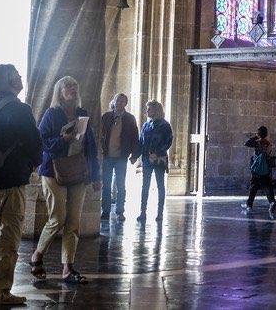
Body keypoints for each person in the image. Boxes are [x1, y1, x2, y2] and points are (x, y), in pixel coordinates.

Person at [0, 64, 42, 307]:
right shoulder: (20, 109)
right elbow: (35, 144)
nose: (21, 77)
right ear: (11, 81)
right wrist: (34, 163)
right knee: (7, 239)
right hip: (11, 182)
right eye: (18, 75)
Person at [29, 76, 100, 284]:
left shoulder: (82, 114)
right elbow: (41, 142)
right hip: (53, 171)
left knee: (73, 221)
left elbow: (91, 146)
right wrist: (63, 139)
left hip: (78, 171)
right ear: (59, 92)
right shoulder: (52, 114)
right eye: (68, 86)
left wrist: (96, 175)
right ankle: (38, 255)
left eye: (75, 86)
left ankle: (68, 268)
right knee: (57, 218)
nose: (72, 89)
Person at [98, 92, 140, 222]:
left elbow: (135, 137)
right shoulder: (106, 117)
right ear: (114, 101)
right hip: (107, 156)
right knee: (106, 185)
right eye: (118, 100)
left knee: (120, 185)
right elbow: (99, 134)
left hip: (121, 156)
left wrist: (135, 155)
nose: (120, 103)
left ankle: (120, 211)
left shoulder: (130, 118)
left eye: (123, 101)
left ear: (126, 103)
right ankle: (105, 211)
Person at [138, 100, 173, 223]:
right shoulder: (146, 125)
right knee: (145, 186)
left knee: (160, 186)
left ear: (156, 110)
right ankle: (142, 212)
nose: (146, 111)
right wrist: (137, 155)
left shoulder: (165, 125)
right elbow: (141, 141)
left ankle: (160, 213)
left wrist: (156, 153)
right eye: (147, 109)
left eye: (149, 109)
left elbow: (168, 141)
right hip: (147, 160)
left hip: (159, 160)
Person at [241, 125, 276, 213]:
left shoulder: (257, 142)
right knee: (267, 186)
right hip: (265, 168)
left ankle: (249, 204)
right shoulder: (268, 143)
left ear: (258, 133)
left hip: (256, 168)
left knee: (253, 186)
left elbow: (246, 143)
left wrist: (255, 137)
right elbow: (269, 154)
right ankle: (272, 201)